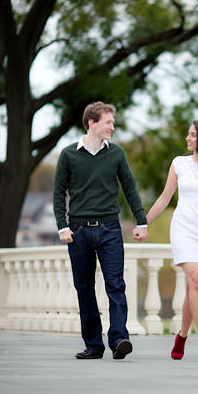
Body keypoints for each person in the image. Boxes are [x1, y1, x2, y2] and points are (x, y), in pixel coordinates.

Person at [53, 101, 148, 360]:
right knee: (84, 288)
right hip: (78, 230)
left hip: (110, 229)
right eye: (108, 122)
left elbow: (130, 188)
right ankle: (94, 345)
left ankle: (118, 339)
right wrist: (62, 226)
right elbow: (58, 193)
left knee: (116, 285)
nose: (112, 127)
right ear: (91, 122)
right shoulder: (68, 154)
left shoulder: (116, 154)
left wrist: (141, 222)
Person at [145, 119, 198, 363]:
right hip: (183, 228)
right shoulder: (179, 164)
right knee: (195, 280)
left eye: (192, 135)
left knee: (194, 287)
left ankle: (181, 336)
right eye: (188, 134)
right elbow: (164, 198)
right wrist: (144, 223)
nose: (187, 138)